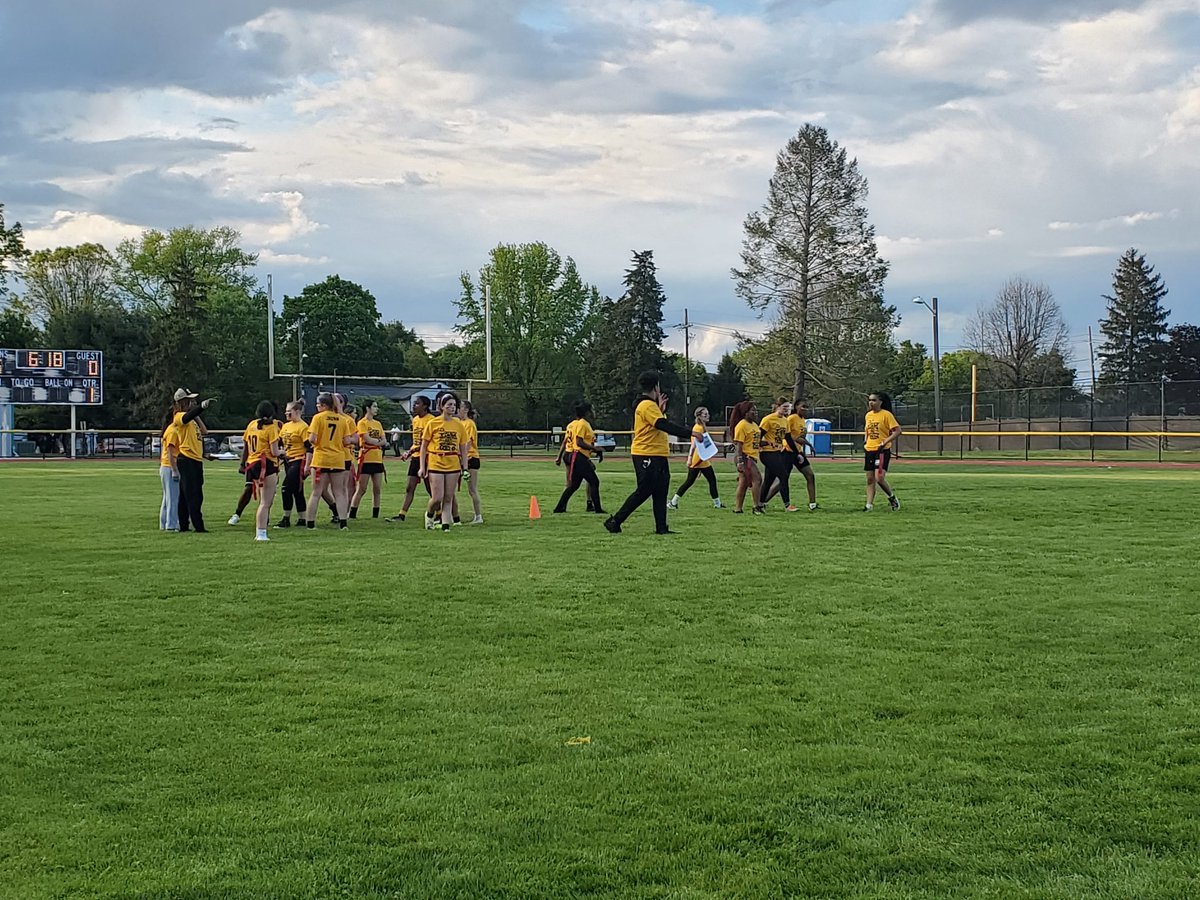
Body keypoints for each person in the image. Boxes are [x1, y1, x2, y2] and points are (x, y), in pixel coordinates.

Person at [603, 371, 696, 535]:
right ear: (656, 387)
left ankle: (661, 527)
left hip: (657, 454)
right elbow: (662, 425)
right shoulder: (647, 405)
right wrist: (690, 433)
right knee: (644, 490)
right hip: (646, 453)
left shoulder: (652, 406)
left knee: (661, 489)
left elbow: (655, 424)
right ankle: (615, 521)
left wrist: (660, 409)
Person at [419, 392, 469, 532]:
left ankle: (445, 525)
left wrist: (465, 468)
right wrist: (422, 467)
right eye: (449, 405)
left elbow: (463, 448)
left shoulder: (458, 424)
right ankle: (429, 514)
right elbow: (423, 447)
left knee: (448, 497)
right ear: (442, 406)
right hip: (436, 462)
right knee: (437, 498)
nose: (452, 407)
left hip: (453, 463)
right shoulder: (433, 423)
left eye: (454, 405)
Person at [304, 392, 354, 529]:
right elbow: (347, 441)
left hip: (321, 459)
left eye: (318, 405)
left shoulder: (318, 418)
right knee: (339, 492)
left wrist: (319, 443)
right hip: (337, 458)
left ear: (324, 405)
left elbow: (312, 439)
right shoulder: (342, 419)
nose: (317, 407)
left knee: (316, 492)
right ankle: (343, 523)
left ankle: (311, 523)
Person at [171, 388, 215, 532]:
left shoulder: (191, 420)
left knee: (186, 495)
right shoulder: (179, 416)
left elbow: (204, 431)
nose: (192, 402)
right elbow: (185, 418)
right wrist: (201, 407)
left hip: (195, 459)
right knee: (194, 495)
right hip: (187, 459)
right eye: (189, 400)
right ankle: (198, 526)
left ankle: (184, 525)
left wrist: (196, 414)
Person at [385, 395, 433, 522]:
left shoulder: (431, 420)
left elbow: (427, 443)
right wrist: (410, 452)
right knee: (409, 487)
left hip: (427, 457)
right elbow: (416, 441)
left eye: (417, 403)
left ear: (425, 406)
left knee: (430, 488)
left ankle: (438, 513)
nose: (414, 406)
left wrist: (411, 451)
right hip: (416, 457)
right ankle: (402, 515)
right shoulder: (415, 420)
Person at [553, 400, 605, 514]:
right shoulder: (582, 424)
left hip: (578, 456)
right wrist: (594, 448)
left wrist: (596, 450)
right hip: (578, 456)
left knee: (574, 485)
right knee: (594, 481)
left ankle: (559, 508)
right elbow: (579, 442)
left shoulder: (584, 424)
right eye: (591, 410)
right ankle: (597, 509)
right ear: (587, 412)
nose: (593, 412)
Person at [243, 400, 283, 541]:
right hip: (266, 464)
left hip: (252, 463)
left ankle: (261, 530)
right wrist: (284, 453)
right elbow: (274, 451)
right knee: (266, 503)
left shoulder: (251, 425)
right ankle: (261, 533)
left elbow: (246, 444)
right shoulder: (271, 428)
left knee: (262, 500)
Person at [667, 406, 721, 510]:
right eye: (705, 414)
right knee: (690, 482)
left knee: (709, 480)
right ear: (699, 416)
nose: (708, 416)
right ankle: (673, 503)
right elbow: (694, 445)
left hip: (702, 458)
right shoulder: (698, 428)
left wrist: (724, 445)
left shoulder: (701, 427)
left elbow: (708, 442)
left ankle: (717, 504)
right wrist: (690, 458)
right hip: (699, 458)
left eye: (707, 414)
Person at [863, 391, 902, 511]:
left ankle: (892, 498)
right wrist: (865, 440)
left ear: (880, 402)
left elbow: (897, 431)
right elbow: (867, 430)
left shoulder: (886, 415)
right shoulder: (868, 415)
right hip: (870, 449)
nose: (871, 403)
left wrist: (885, 441)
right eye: (870, 400)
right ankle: (869, 505)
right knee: (870, 479)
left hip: (881, 450)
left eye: (874, 400)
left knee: (879, 478)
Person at [757, 397, 798, 512]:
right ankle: (787, 505)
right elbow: (758, 436)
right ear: (777, 406)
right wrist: (761, 444)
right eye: (784, 407)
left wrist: (797, 453)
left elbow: (788, 438)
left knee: (769, 480)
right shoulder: (768, 419)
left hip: (777, 452)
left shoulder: (785, 420)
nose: (786, 409)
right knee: (783, 476)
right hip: (767, 453)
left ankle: (760, 503)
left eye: (788, 407)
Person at [350, 400, 387, 519]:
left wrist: (377, 442)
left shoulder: (378, 423)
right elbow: (367, 439)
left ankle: (375, 514)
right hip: (366, 459)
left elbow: (384, 440)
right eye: (374, 406)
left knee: (377, 489)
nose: (376, 409)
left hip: (377, 459)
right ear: (367, 408)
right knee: (362, 488)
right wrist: (377, 442)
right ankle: (352, 513)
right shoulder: (362, 423)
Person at [275, 400, 309, 528]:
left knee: (286, 488)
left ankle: (286, 518)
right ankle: (302, 518)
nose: (286, 414)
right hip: (288, 460)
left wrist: (308, 464)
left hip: (298, 459)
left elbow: (309, 447)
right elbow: (280, 442)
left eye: (289, 411)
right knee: (297, 490)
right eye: (286, 411)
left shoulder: (303, 427)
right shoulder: (286, 426)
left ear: (298, 411)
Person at [729, 400, 765, 515]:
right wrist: (740, 462)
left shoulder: (754, 425)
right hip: (745, 456)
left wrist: (768, 443)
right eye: (753, 410)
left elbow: (754, 441)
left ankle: (738, 508)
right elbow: (739, 446)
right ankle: (756, 506)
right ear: (746, 412)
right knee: (757, 479)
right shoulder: (742, 425)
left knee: (743, 483)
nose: (755, 413)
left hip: (752, 456)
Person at [787, 400, 820, 511]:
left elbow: (801, 437)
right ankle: (764, 501)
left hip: (798, 451)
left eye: (806, 407)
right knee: (783, 479)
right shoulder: (791, 418)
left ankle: (812, 504)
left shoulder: (802, 420)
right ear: (796, 407)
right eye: (803, 406)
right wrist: (809, 445)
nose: (805, 409)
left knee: (810, 475)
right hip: (788, 451)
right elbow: (791, 437)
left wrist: (804, 447)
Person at [460, 399, 484, 524]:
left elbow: (467, 443)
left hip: (471, 458)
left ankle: (478, 516)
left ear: (466, 410)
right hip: (463, 458)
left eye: (460, 407)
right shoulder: (460, 423)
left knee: (472, 489)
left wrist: (462, 457)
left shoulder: (469, 424)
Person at [158, 411, 182, 531]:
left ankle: (163, 523)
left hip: (165, 466)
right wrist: (174, 470)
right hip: (169, 466)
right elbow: (170, 452)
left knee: (167, 497)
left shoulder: (170, 429)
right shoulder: (173, 430)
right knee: (173, 498)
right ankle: (171, 525)